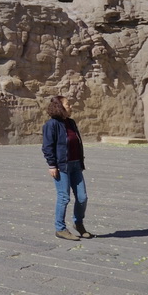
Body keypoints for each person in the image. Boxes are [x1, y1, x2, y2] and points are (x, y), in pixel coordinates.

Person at [42, 95, 93, 241]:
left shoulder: (71, 122)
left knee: (82, 197)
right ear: (60, 107)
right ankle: (60, 229)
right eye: (67, 104)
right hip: (61, 166)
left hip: (76, 164)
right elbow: (47, 146)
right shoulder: (51, 124)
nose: (70, 107)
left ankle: (78, 223)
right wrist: (52, 165)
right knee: (64, 197)